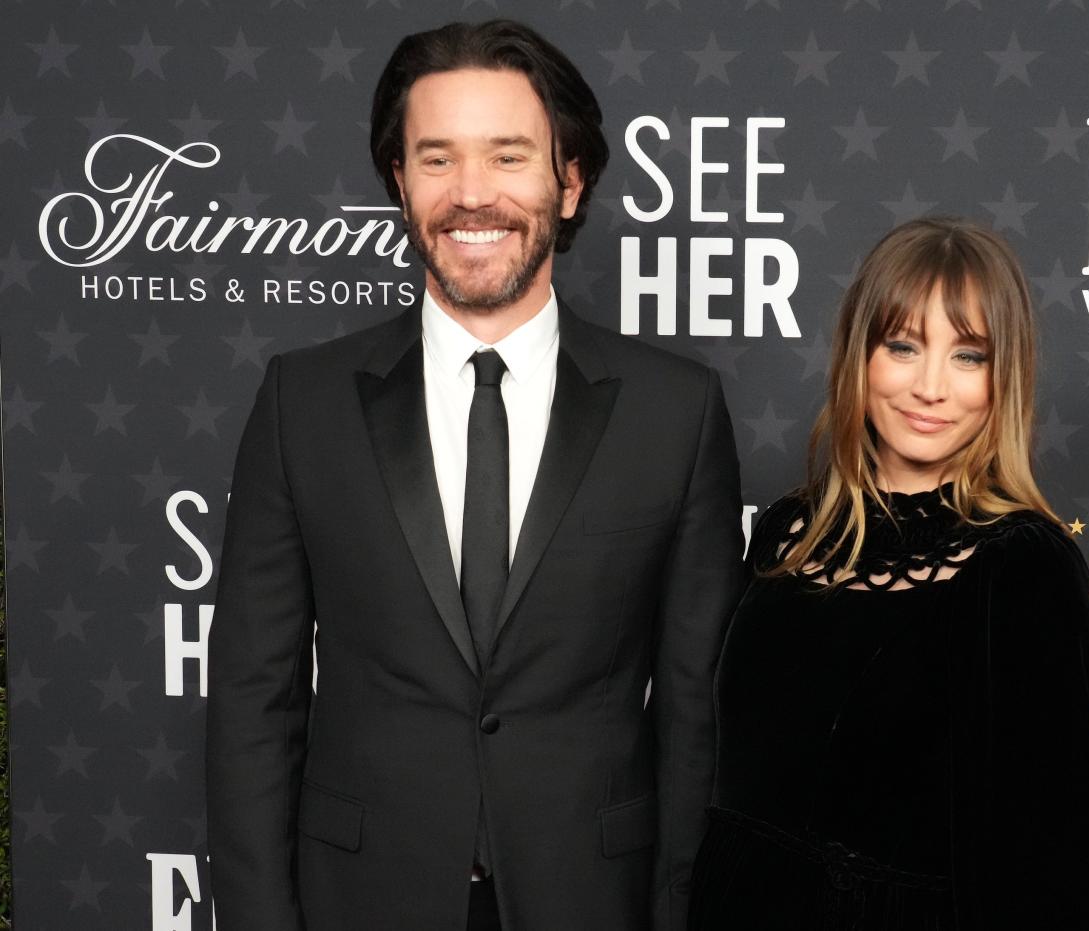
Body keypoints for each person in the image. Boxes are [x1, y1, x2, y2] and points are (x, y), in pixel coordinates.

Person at [206, 19, 743, 931]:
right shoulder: (304, 403)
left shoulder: (676, 412)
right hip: (361, 898)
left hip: (592, 897)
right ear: (399, 182)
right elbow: (253, 701)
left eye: (507, 156)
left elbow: (697, 718)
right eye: (437, 159)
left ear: (568, 182)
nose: (471, 195)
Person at [689, 218, 1089, 929]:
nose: (930, 387)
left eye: (968, 355)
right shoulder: (788, 531)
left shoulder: (1024, 569)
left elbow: (1056, 855)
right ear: (860, 356)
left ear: (1002, 379)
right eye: (903, 345)